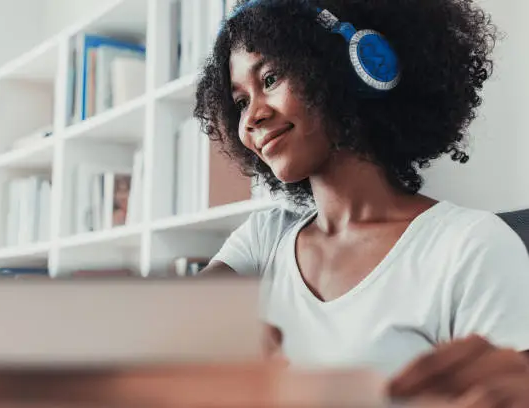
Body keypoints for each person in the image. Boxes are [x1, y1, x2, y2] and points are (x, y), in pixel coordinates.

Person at [194, 0, 529, 405]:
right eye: (241, 101)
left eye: (271, 78)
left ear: (362, 65)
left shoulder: (470, 246)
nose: (251, 119)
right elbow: (174, 324)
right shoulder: (265, 240)